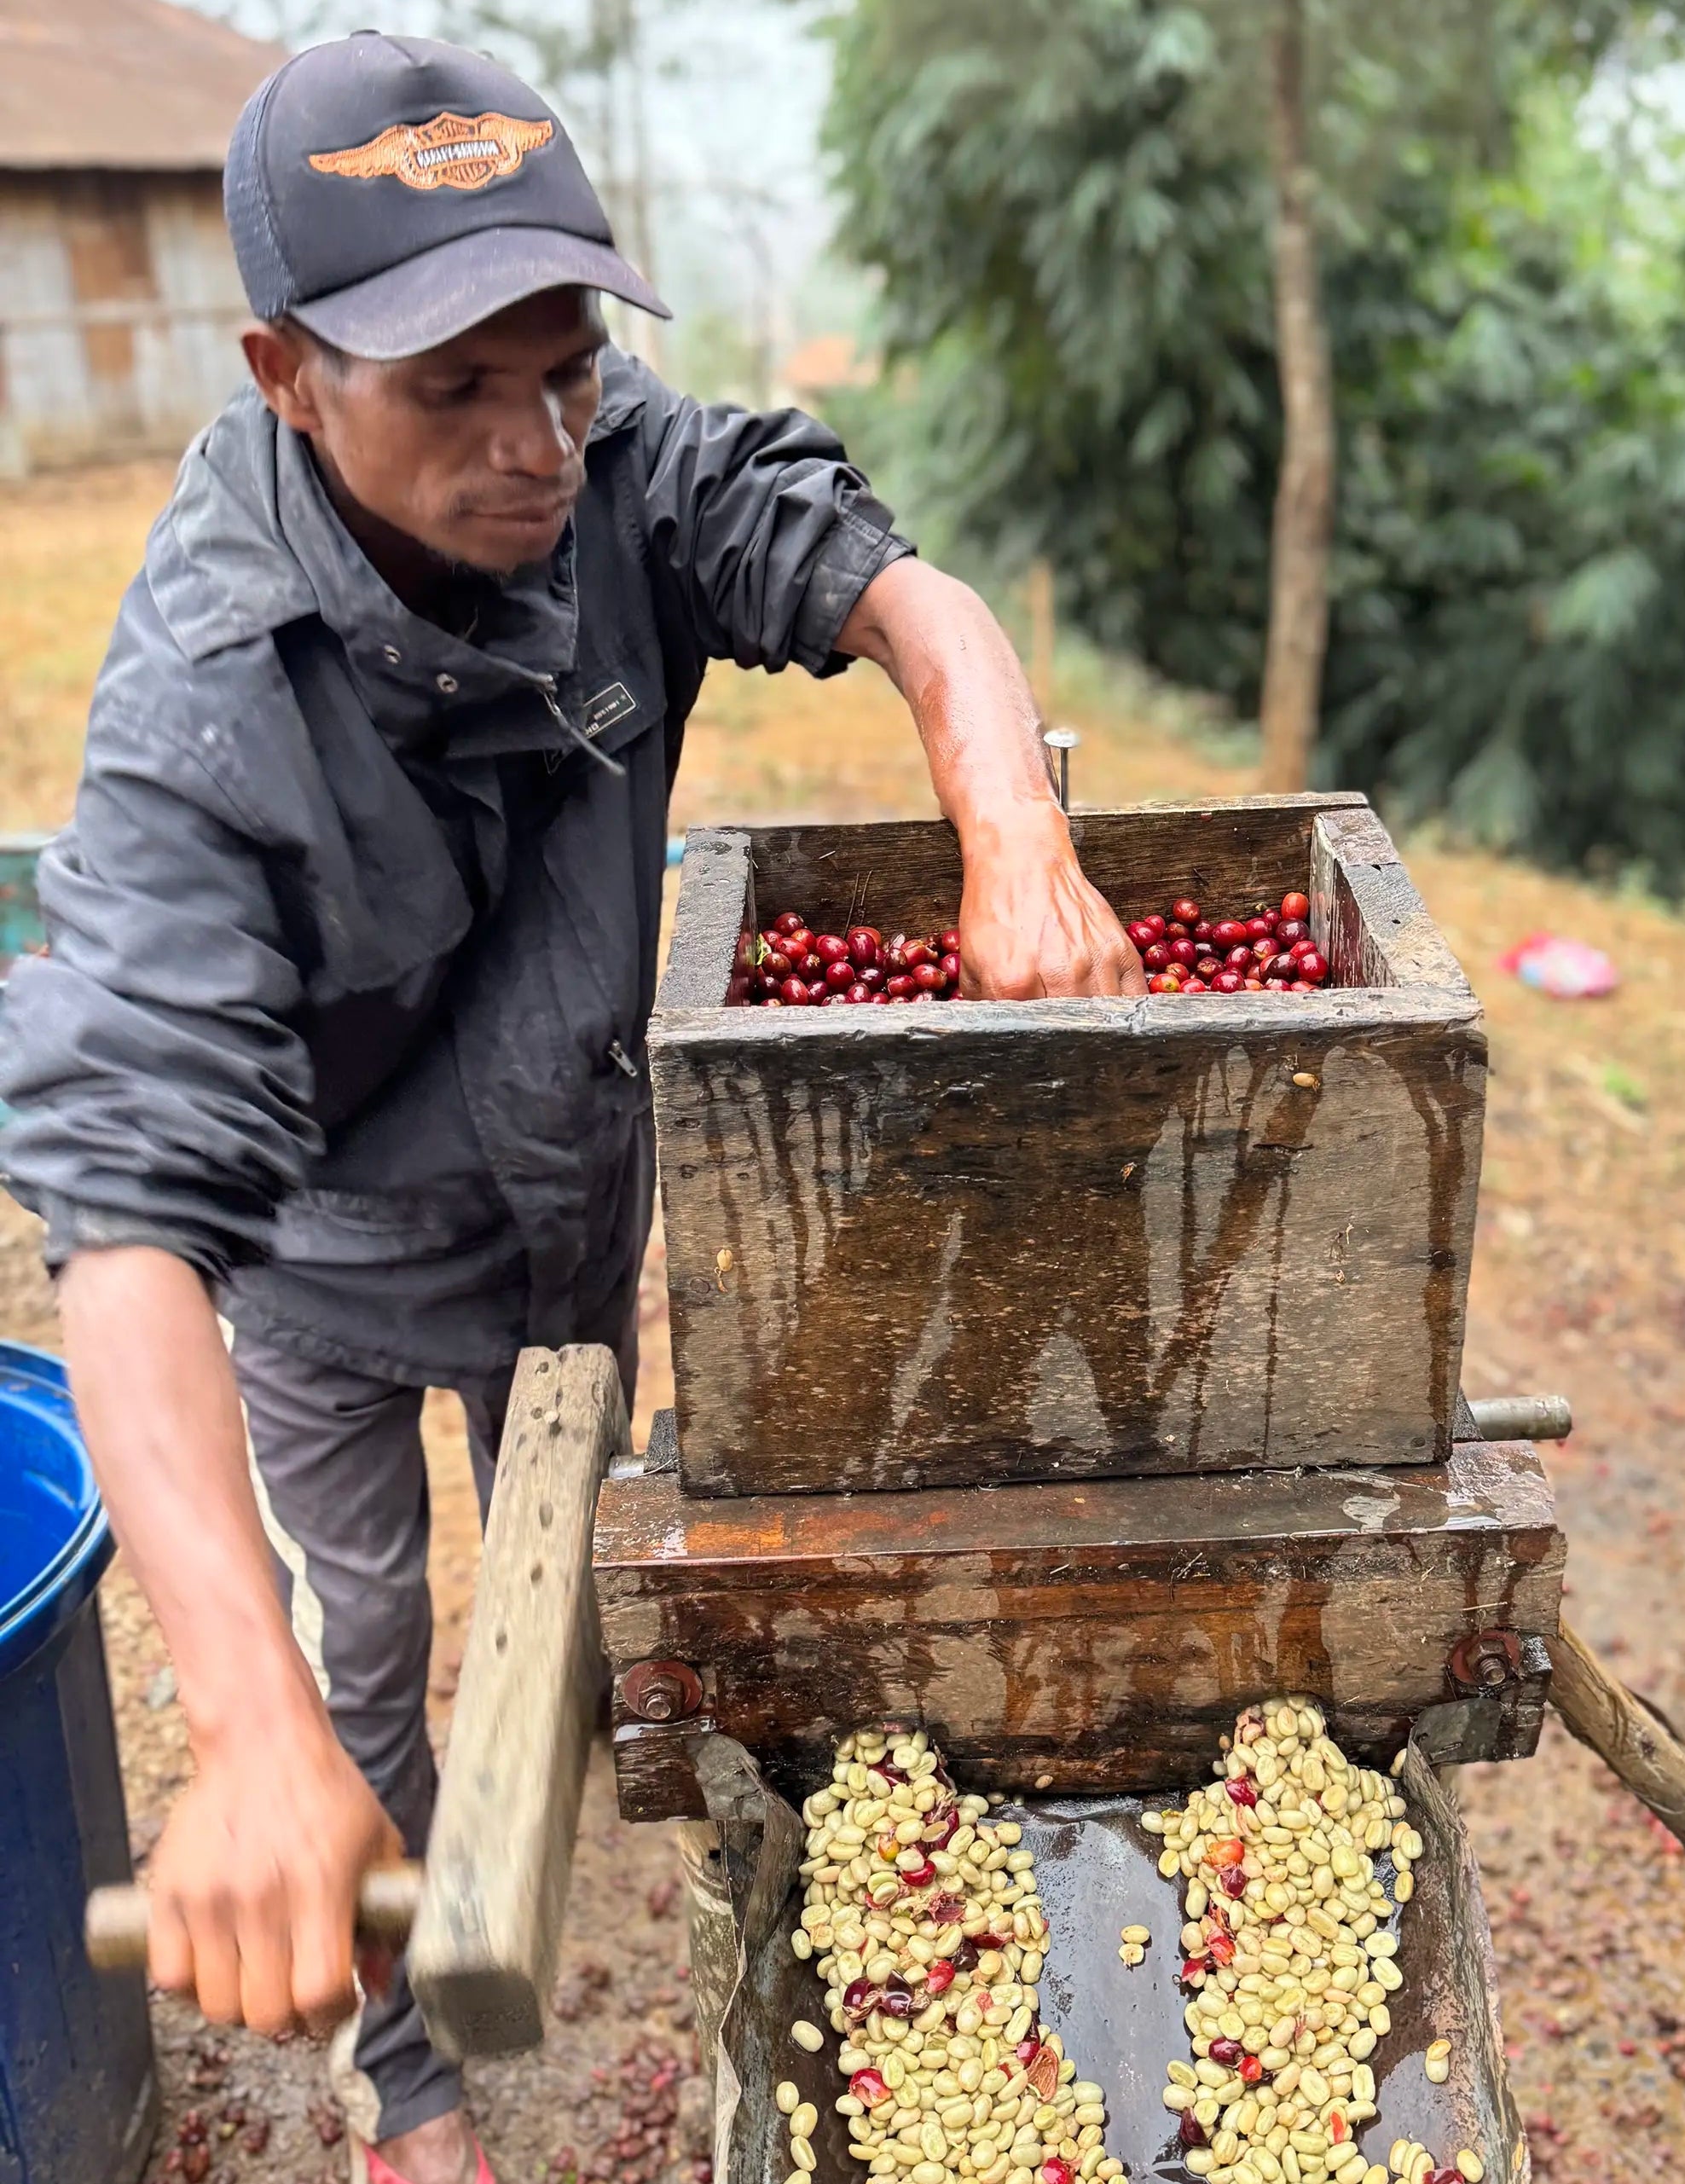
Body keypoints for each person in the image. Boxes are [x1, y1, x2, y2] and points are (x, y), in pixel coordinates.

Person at [0, 31, 1142, 2184]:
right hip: (336, 1278)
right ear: (285, 374)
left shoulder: (613, 478)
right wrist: (230, 1726)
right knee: (364, 1655)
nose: (535, 447)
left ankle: (569, 1749)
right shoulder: (206, 707)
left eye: (566, 371)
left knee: (580, 1558)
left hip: (569, 1221)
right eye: (454, 392)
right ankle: (406, 2088)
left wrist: (1011, 828)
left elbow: (886, 581)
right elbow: (128, 1220)